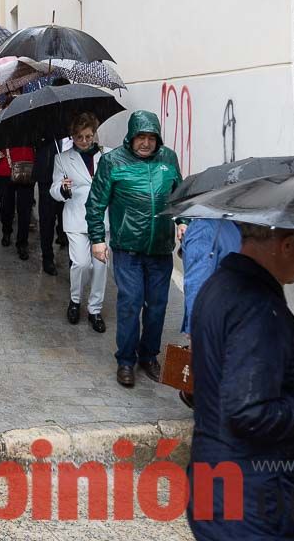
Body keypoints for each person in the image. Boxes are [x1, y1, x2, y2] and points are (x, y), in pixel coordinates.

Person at [186, 224, 294, 540]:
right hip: (250, 501)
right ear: (286, 245)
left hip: (217, 485)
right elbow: (246, 413)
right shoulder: (258, 308)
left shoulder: (218, 285)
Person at [86, 110, 183, 388]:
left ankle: (149, 355)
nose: (146, 143)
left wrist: (183, 221)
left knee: (157, 306)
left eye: (151, 137)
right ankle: (126, 360)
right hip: (127, 248)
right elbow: (95, 204)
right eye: (141, 136)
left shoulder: (168, 159)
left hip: (160, 248)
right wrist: (97, 238)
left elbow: (181, 196)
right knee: (130, 304)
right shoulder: (112, 162)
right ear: (131, 137)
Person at [176, 218, 242, 408]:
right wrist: (194, 328)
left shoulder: (236, 226)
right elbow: (197, 283)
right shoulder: (206, 228)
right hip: (214, 324)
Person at [50, 112, 108, 332]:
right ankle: (75, 300)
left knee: (100, 265)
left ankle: (95, 309)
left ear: (94, 134)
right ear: (72, 137)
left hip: (102, 218)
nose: (84, 141)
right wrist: (63, 188)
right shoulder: (62, 158)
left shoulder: (107, 155)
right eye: (79, 137)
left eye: (88, 136)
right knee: (82, 263)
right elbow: (53, 189)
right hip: (76, 217)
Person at [35, 76, 72, 275]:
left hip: (70, 176)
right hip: (47, 174)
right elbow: (36, 140)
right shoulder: (43, 115)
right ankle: (47, 257)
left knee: (68, 217)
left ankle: (71, 254)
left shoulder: (76, 116)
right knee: (47, 218)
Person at [0, 102, 36, 262]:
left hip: (27, 169)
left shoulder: (33, 123)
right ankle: (6, 230)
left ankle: (22, 243)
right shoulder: (0, 122)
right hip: (4, 170)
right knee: (6, 206)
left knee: (25, 209)